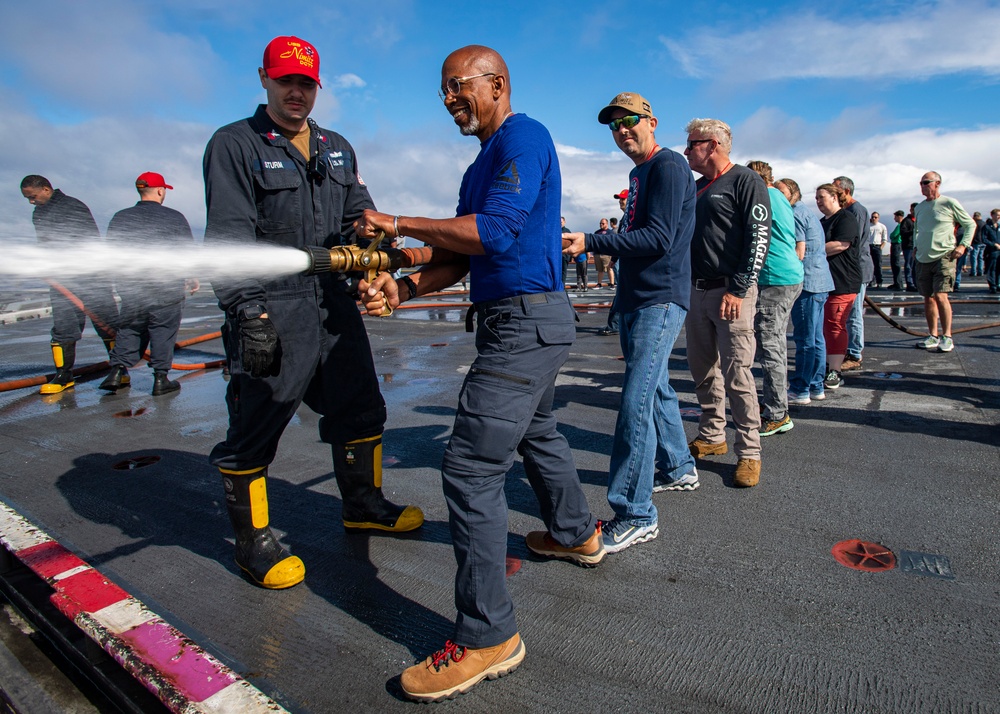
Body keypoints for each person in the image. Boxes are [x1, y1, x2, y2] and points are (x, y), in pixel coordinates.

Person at [353, 45, 602, 702]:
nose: (447, 100)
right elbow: (457, 258)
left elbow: (494, 231)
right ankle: (576, 533)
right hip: (515, 321)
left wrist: (399, 220)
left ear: (498, 83)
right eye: (441, 91)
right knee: (538, 429)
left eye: (456, 86)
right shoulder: (477, 168)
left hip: (525, 324)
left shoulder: (525, 136)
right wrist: (404, 287)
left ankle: (488, 634)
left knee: (468, 470)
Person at [202, 35, 424, 592]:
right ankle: (252, 543)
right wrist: (248, 314)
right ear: (264, 79)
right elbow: (228, 237)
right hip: (273, 306)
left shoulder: (337, 147)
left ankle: (363, 505)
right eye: (286, 81)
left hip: (331, 302)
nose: (296, 92)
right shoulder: (235, 145)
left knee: (361, 408)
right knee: (257, 423)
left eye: (306, 83)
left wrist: (372, 255)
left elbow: (357, 216)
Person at [563, 91, 697, 553]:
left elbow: (659, 238)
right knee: (655, 386)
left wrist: (592, 241)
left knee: (636, 400)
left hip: (660, 297)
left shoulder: (669, 166)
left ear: (652, 121)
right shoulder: (639, 172)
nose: (622, 131)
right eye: (614, 125)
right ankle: (680, 466)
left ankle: (636, 513)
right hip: (639, 295)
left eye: (630, 121)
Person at [682, 119, 771, 488]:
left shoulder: (746, 181)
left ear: (713, 144)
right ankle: (712, 434)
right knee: (703, 369)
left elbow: (758, 238)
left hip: (731, 292)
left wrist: (739, 287)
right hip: (696, 290)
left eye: (692, 144)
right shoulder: (699, 188)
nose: (686, 151)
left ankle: (749, 452)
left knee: (738, 374)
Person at [20, 176, 119, 395]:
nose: (31, 202)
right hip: (62, 279)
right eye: (27, 198)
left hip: (91, 276)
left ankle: (120, 370)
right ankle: (64, 376)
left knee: (106, 322)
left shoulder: (73, 206)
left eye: (32, 197)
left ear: (46, 189)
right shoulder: (39, 213)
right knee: (63, 326)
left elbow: (85, 241)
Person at [99, 172, 194, 396]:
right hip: (167, 288)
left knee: (129, 329)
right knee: (163, 330)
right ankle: (161, 379)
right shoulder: (175, 217)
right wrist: (191, 276)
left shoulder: (120, 217)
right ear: (161, 191)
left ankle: (116, 371)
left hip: (132, 288)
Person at [746, 161, 802, 436]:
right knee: (775, 343)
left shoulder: (762, 196)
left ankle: (778, 413)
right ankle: (775, 407)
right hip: (789, 274)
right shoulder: (780, 195)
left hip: (774, 278)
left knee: (771, 346)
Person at [782, 178, 834, 405]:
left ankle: (801, 388)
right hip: (821, 282)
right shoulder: (807, 212)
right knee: (815, 338)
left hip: (808, 283)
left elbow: (799, 251)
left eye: (782, 192)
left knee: (805, 339)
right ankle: (816, 385)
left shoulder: (793, 214)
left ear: (793, 193)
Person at [912, 171, 976, 352]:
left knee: (941, 296)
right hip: (923, 258)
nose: (923, 186)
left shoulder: (949, 203)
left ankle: (947, 336)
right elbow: (918, 230)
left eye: (926, 182)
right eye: (921, 183)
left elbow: (970, 224)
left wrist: (963, 246)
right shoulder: (920, 207)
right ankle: (933, 335)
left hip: (944, 256)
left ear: (937, 183)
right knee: (928, 298)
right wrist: (916, 247)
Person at [815, 183, 861, 389]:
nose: (818, 202)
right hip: (825, 281)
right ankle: (827, 364)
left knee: (835, 324)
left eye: (821, 197)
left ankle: (835, 371)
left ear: (835, 197)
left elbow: (841, 244)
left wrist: (812, 250)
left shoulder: (846, 218)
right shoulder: (821, 222)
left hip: (843, 281)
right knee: (825, 325)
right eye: (816, 198)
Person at [833, 176, 869, 373]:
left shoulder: (856, 211)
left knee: (854, 313)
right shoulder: (848, 211)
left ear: (846, 192)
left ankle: (855, 353)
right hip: (851, 269)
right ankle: (848, 349)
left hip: (857, 269)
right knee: (847, 314)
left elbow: (853, 242)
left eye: (837, 191)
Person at [592, 218, 615, 288]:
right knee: (600, 270)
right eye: (600, 223)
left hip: (606, 254)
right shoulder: (597, 232)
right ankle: (599, 283)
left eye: (603, 223)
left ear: (607, 224)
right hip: (598, 253)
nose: (601, 225)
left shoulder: (610, 232)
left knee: (609, 268)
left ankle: (612, 284)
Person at [868, 211, 888, 288]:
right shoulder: (868, 226)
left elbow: (884, 239)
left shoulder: (882, 226)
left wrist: (881, 247)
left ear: (878, 218)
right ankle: (871, 281)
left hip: (877, 246)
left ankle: (879, 281)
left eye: (875, 217)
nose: (874, 218)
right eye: (872, 217)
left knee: (878, 265)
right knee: (870, 265)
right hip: (869, 246)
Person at [901, 203, 918, 291]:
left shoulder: (919, 220)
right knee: (909, 265)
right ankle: (909, 283)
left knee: (915, 266)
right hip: (909, 246)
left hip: (917, 246)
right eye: (913, 210)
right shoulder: (906, 221)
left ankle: (915, 283)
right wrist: (913, 231)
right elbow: (903, 233)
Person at [983, 209, 1000, 293]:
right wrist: (994, 244)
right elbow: (984, 239)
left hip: (999, 252)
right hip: (991, 251)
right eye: (997, 215)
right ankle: (992, 285)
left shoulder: (999, 226)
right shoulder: (987, 227)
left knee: (998, 269)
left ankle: (997, 284)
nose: (998, 217)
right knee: (991, 269)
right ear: (992, 215)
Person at [889, 210, 906, 290]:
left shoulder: (900, 226)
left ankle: (898, 283)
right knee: (895, 263)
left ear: (899, 217)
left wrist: (892, 236)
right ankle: (897, 282)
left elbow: (893, 235)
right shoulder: (900, 225)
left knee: (895, 263)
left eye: (895, 216)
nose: (894, 218)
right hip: (897, 244)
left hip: (897, 244)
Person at [968, 212, 985, 278]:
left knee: (974, 258)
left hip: (975, 242)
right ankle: (980, 271)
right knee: (981, 258)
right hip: (983, 242)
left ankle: (973, 271)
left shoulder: (974, 223)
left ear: (975, 216)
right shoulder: (984, 224)